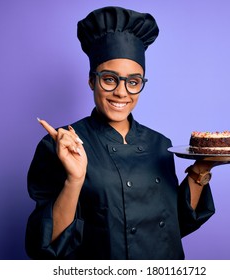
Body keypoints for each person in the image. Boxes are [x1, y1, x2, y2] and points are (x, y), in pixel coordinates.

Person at [26, 6, 217, 260]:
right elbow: (44, 248)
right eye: (109, 79)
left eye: (133, 81)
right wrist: (75, 179)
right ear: (92, 80)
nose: (121, 92)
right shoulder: (61, 144)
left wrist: (202, 167)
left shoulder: (161, 144)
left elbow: (176, 226)